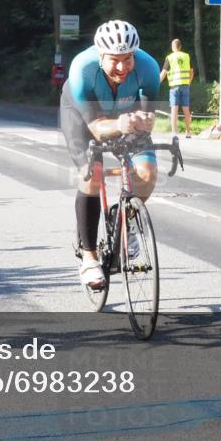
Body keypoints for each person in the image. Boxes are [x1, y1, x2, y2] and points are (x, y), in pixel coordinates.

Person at [61, 20, 161, 289]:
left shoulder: (149, 68)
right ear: (100, 55)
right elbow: (96, 128)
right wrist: (119, 125)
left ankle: (125, 219)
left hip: (123, 115)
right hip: (83, 117)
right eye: (114, 60)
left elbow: (147, 117)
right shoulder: (82, 70)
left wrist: (143, 121)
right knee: (92, 175)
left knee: (148, 173)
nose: (122, 67)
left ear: (135, 54)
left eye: (127, 59)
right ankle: (89, 258)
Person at [160, 38, 195, 138]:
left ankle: (174, 132)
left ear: (173, 47)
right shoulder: (186, 56)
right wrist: (189, 82)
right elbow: (191, 72)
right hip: (185, 85)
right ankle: (188, 132)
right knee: (186, 110)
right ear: (180, 47)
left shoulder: (170, 57)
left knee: (174, 110)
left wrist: (155, 83)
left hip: (174, 86)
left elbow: (163, 73)